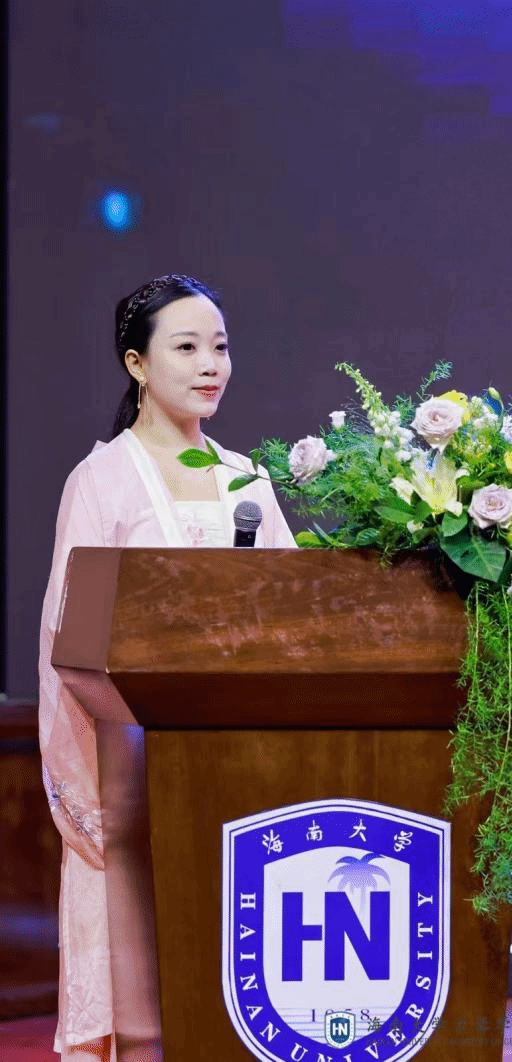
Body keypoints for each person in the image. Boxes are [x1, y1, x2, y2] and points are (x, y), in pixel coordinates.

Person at [38, 275, 296, 1061]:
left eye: (220, 347)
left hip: (237, 768)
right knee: (142, 988)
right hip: (132, 771)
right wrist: (87, 796)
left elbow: (300, 615)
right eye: (186, 347)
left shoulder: (248, 477)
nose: (210, 364)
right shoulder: (101, 480)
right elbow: (65, 641)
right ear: (137, 364)